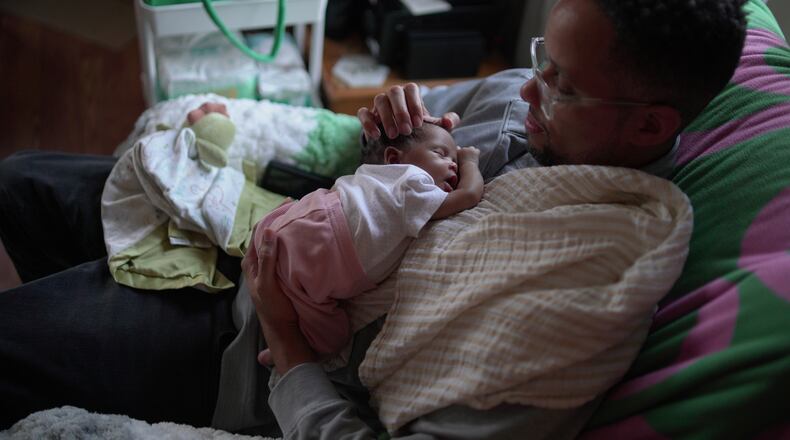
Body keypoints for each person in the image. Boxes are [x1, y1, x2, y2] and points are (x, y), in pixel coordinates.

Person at [0, 0, 747, 438]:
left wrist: (288, 345)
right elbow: (373, 171)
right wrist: (385, 134)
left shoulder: (583, 279)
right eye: (541, 58)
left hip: (245, 342)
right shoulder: (517, 96)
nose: (529, 91)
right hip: (267, 224)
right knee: (20, 181)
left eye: (566, 86)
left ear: (649, 128)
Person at [246, 120, 483, 362]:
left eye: (454, 158)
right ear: (393, 159)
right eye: (440, 153)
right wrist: (469, 161)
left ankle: (277, 342)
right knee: (332, 341)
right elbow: (469, 195)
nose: (453, 163)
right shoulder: (411, 181)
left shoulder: (374, 177)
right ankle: (282, 350)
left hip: (300, 219)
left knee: (290, 287)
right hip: (322, 250)